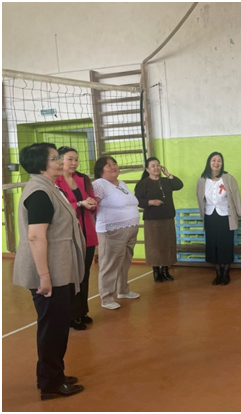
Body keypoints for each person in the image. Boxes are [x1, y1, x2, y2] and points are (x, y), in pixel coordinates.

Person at [13, 143, 85, 400]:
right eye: (55, 158)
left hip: (57, 267)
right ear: (41, 165)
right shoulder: (40, 192)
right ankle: (51, 383)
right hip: (49, 271)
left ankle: (49, 374)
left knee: (55, 325)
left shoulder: (50, 187)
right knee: (53, 328)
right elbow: (35, 237)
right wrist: (44, 276)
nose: (60, 161)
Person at [55, 146, 98, 330]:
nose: (74, 163)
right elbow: (60, 208)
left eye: (76, 159)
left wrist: (92, 203)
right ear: (60, 161)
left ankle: (82, 311)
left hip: (87, 233)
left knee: (84, 274)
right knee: (72, 276)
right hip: (70, 235)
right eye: (70, 159)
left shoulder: (83, 179)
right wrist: (80, 203)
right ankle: (72, 315)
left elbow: (92, 199)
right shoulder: (55, 182)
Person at [92, 156, 140, 310]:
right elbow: (92, 207)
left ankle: (123, 290)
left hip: (130, 229)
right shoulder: (99, 184)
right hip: (111, 231)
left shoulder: (122, 183)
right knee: (109, 264)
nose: (113, 167)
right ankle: (106, 298)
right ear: (100, 170)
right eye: (108, 165)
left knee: (124, 262)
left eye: (114, 163)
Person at [196, 152, 241, 286]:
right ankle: (218, 273)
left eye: (219, 161)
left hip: (226, 216)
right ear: (209, 162)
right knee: (213, 245)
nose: (216, 163)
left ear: (222, 163)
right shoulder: (202, 180)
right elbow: (199, 197)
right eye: (213, 160)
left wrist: (239, 212)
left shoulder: (228, 178)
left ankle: (226, 273)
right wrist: (202, 213)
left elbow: (236, 195)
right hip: (210, 216)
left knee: (226, 245)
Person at [135, 157, 184, 283]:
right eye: (153, 166)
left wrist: (168, 174)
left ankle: (165, 270)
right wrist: (150, 202)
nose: (156, 168)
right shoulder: (143, 183)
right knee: (154, 246)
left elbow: (179, 185)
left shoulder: (166, 181)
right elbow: (137, 200)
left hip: (167, 217)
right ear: (147, 169)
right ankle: (156, 271)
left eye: (158, 165)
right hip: (152, 219)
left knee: (168, 244)